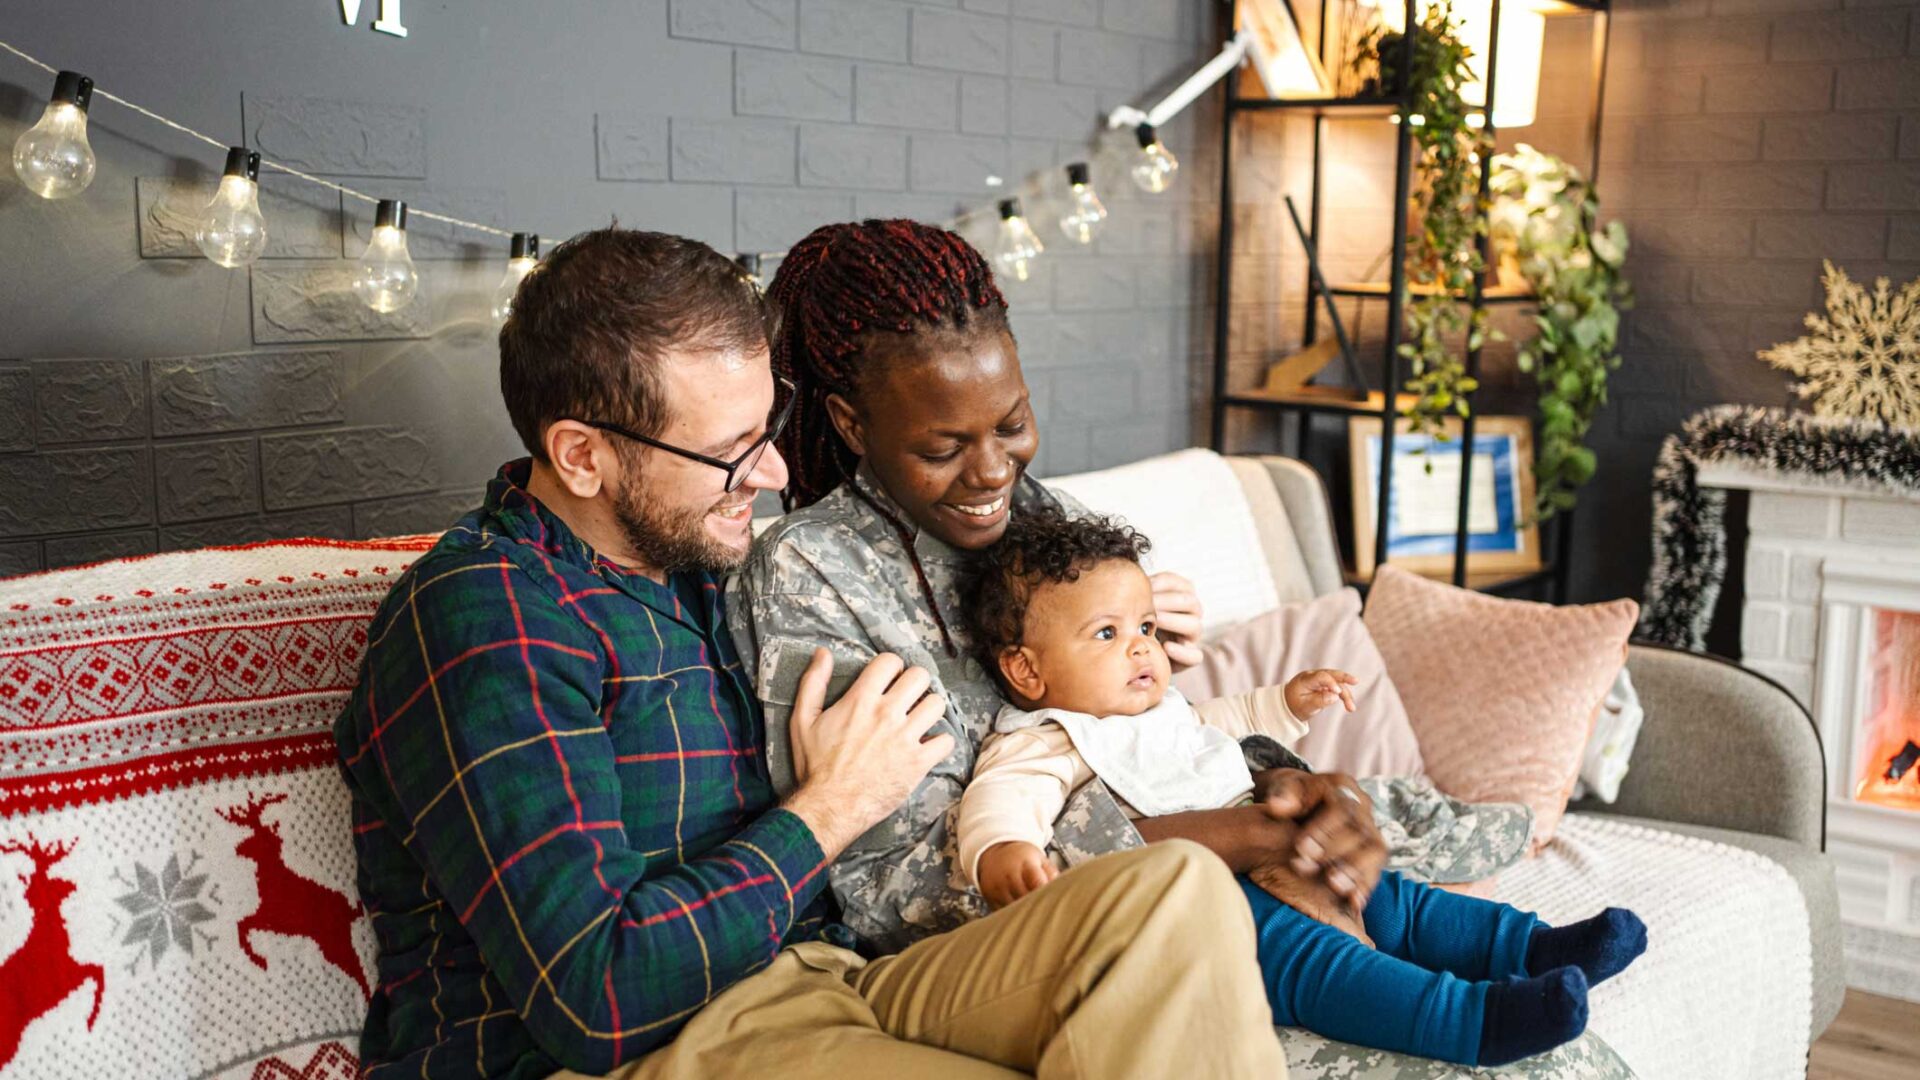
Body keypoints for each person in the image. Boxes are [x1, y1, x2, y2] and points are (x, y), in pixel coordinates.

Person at [333, 228, 1288, 1080]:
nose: (779, 473)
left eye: (770, 427)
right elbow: (599, 997)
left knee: (1171, 894)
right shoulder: (488, 618)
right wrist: (829, 808)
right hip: (638, 1047)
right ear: (582, 454)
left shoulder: (703, 563)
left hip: (825, 980)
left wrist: (1121, 643)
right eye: (731, 450)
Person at [730, 218, 1388, 958]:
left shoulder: (1047, 516)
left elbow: (1160, 739)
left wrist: (1297, 795)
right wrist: (1240, 836)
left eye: (1012, 424)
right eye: (943, 447)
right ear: (852, 423)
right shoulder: (813, 572)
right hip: (1029, 949)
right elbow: (888, 893)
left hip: (1193, 880)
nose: (991, 473)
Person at [953, 510, 1650, 1067]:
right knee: (1319, 963)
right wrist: (1002, 850)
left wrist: (1285, 703)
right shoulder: (1044, 737)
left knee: (1392, 899)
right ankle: (1474, 1021)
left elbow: (1216, 725)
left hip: (1277, 852)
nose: (1141, 648)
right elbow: (1004, 796)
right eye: (1106, 633)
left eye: (1144, 628)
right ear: (1026, 669)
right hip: (1208, 907)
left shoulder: (1156, 708)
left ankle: (1533, 949)